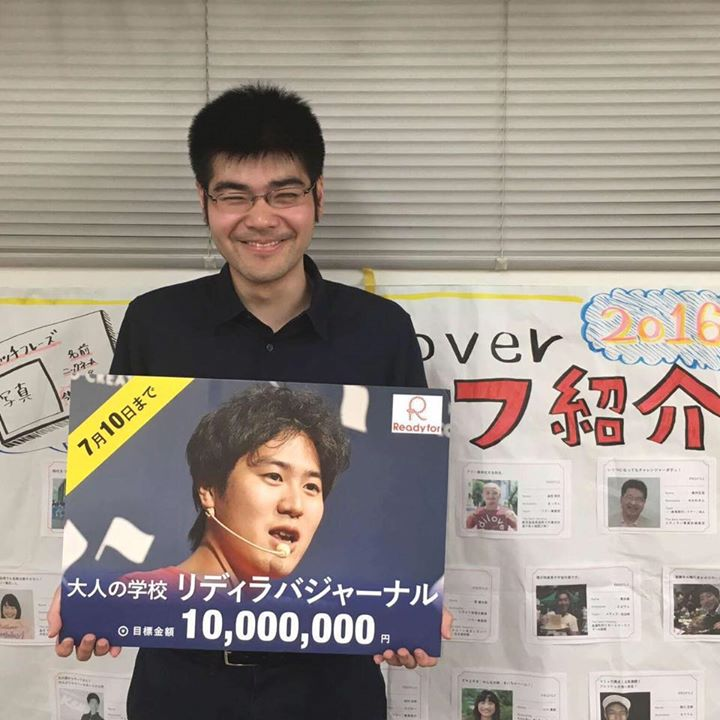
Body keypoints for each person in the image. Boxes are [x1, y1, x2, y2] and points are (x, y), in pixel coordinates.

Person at [50, 83, 450, 720]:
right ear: (204, 202)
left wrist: (415, 605)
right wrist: (90, 599)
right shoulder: (156, 324)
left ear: (318, 198)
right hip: (182, 684)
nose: (261, 219)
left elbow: (415, 487)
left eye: (284, 194)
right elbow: (108, 470)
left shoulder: (380, 332)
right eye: (234, 196)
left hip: (332, 687)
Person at [131, 384, 349, 585]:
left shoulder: (297, 614)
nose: (295, 506)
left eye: (311, 487)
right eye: (274, 476)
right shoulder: (144, 598)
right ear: (209, 489)